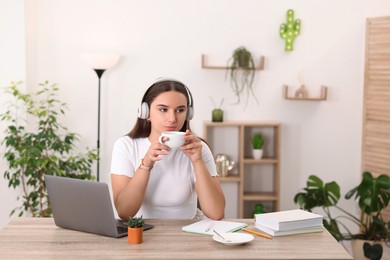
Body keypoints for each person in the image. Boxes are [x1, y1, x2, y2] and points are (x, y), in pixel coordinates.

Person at [110, 78, 225, 221]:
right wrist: (145, 164)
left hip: (188, 230)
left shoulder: (198, 149)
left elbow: (216, 213)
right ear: (146, 112)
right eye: (163, 109)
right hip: (141, 231)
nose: (172, 119)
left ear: (188, 114)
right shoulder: (125, 146)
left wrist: (197, 161)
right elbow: (124, 213)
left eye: (180, 110)